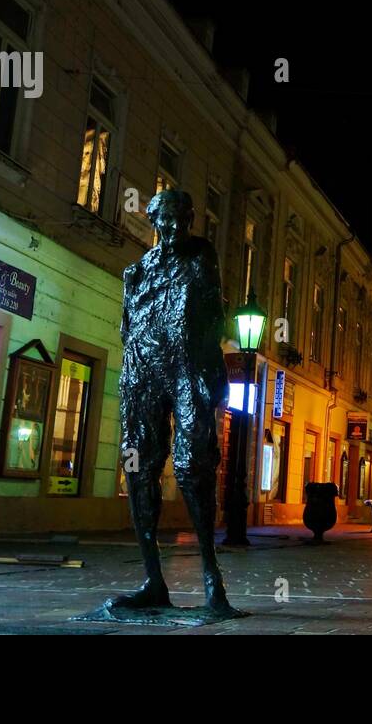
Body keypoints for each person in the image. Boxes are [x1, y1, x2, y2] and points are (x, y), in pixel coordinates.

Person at [111, 188, 234, 617]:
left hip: (186, 368)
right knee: (139, 468)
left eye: (183, 217)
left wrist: (206, 375)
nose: (175, 225)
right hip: (142, 368)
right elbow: (126, 328)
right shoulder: (137, 272)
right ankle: (153, 581)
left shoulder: (201, 256)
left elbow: (215, 317)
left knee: (190, 465)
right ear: (154, 220)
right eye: (167, 218)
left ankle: (212, 581)